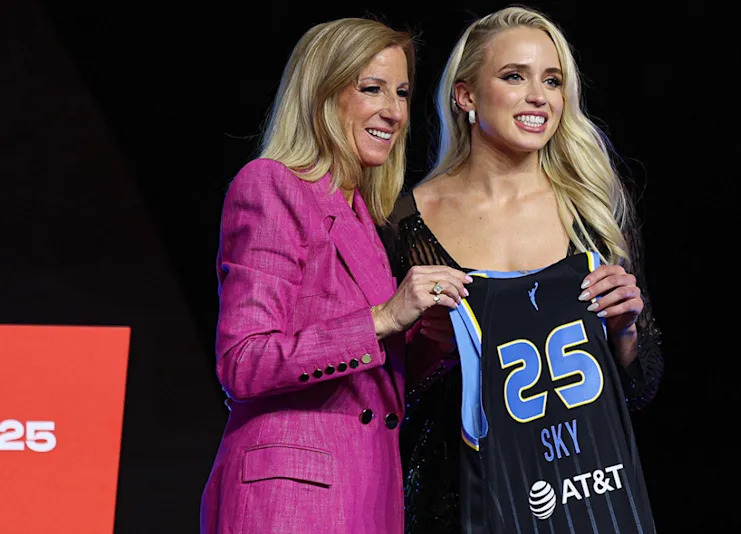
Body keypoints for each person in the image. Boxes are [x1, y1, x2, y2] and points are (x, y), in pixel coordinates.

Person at [385, 7, 663, 533]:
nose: (540, 96)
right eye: (515, 76)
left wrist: (626, 328)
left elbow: (641, 386)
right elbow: (383, 400)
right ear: (466, 95)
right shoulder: (403, 223)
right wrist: (428, 350)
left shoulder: (593, 210)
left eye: (553, 80)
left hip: (584, 500)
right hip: (456, 507)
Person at [201, 18, 470, 534]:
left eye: (402, 93)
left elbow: (365, 387)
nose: (393, 112)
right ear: (321, 96)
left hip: (368, 492)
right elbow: (244, 361)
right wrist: (385, 317)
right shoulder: (272, 185)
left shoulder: (363, 218)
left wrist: (430, 343)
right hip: (289, 500)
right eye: (371, 89)